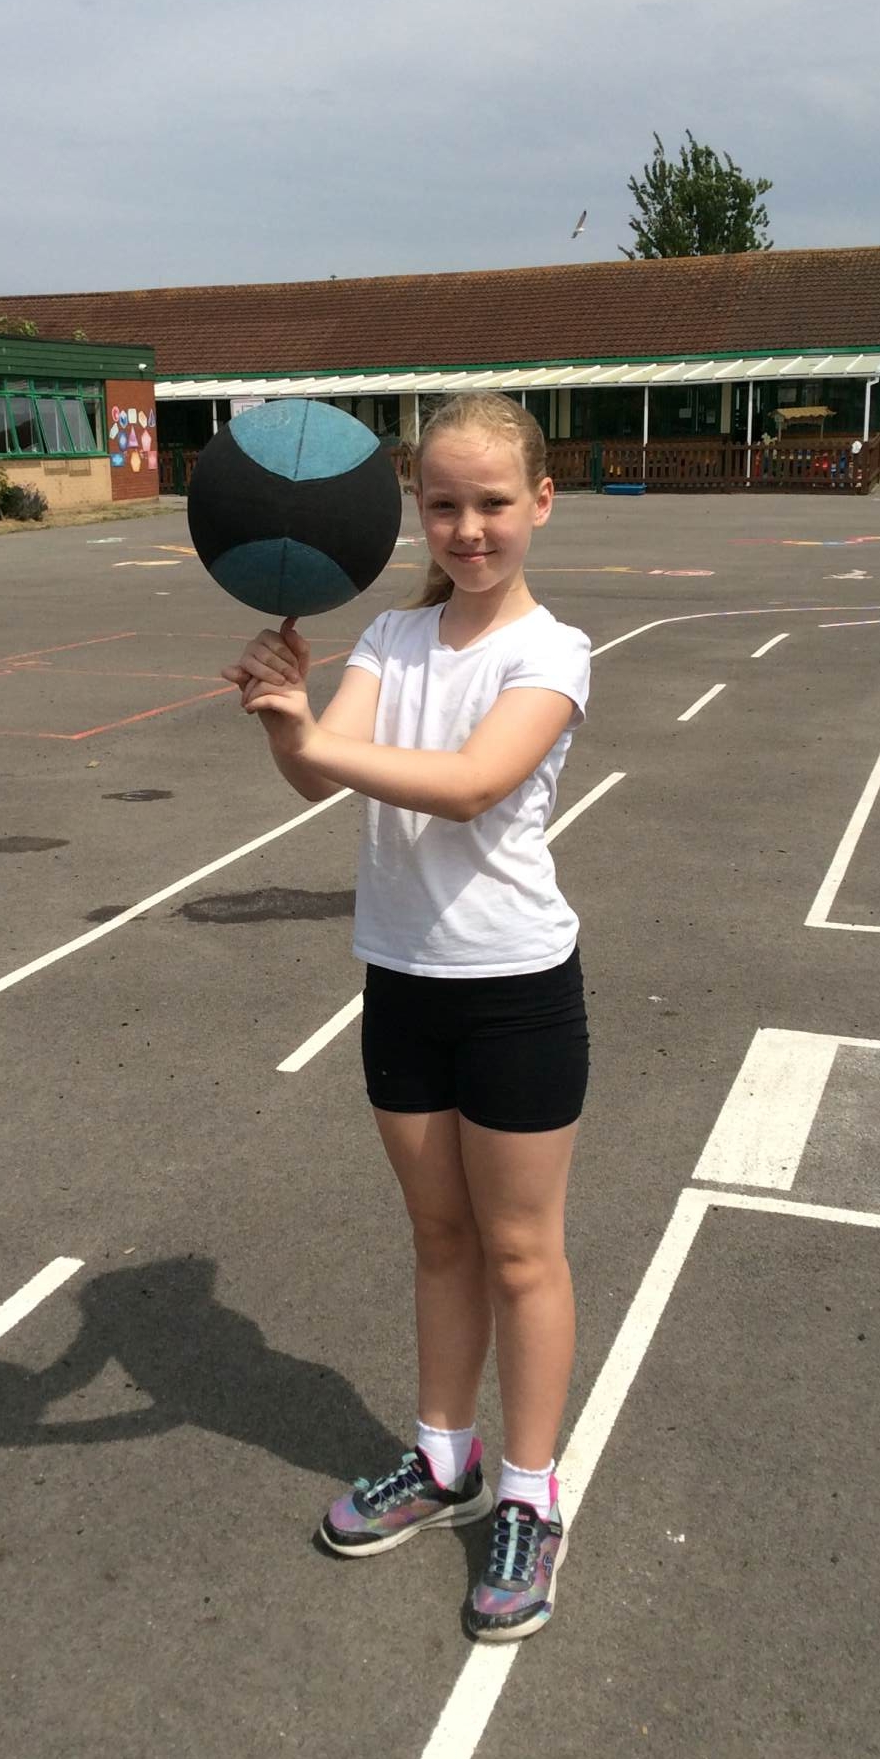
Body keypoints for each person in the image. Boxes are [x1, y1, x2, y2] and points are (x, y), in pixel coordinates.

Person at [221, 392, 591, 1643]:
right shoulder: (390, 634)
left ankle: (530, 1496)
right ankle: (445, 1463)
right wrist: (289, 723)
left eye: (493, 503)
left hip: (517, 993)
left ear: (541, 501)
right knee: (440, 1240)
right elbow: (319, 775)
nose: (468, 528)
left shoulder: (552, 653)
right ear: (414, 513)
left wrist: (319, 743)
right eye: (443, 505)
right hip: (403, 982)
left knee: (521, 1252)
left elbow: (472, 785)